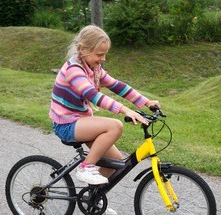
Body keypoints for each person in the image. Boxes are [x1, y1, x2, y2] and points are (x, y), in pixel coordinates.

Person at [49, 25, 160, 188]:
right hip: (66, 124)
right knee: (115, 126)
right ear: (83, 49)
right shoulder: (73, 70)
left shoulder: (94, 69)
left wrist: (146, 102)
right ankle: (86, 167)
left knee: (113, 162)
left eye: (105, 54)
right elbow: (92, 95)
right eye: (99, 54)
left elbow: (117, 86)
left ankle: (93, 198)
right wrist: (125, 110)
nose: (103, 59)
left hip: (81, 121)